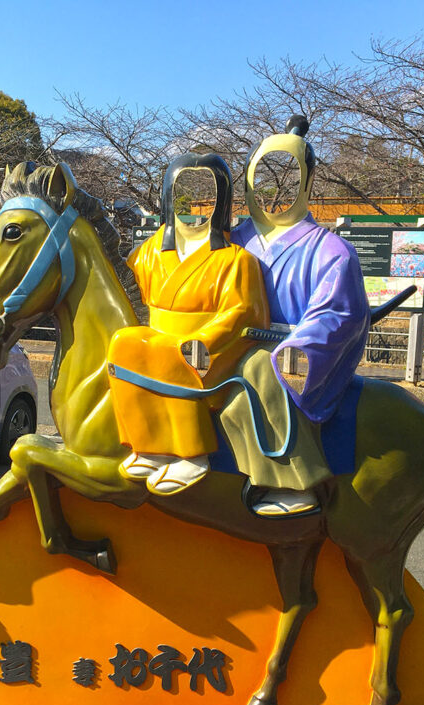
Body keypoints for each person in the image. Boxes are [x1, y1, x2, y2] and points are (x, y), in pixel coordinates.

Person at [221, 117, 370, 516]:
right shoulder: (231, 241)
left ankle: (293, 479)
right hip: (224, 341)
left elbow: (339, 312)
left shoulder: (331, 250)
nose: (277, 189)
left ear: (307, 183)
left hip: (284, 353)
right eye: (263, 174)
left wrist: (297, 347)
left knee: (260, 373)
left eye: (292, 175)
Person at [107, 153, 269, 496]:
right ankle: (146, 445)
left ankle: (191, 454)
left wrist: (202, 338)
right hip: (162, 338)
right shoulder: (147, 253)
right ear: (168, 197)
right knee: (123, 343)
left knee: (172, 352)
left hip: (215, 351)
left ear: (222, 201)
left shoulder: (236, 259)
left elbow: (241, 311)